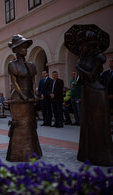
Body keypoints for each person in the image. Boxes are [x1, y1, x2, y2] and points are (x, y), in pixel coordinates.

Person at [64, 25, 113, 165]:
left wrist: (79, 68)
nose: (81, 47)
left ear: (89, 44)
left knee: (97, 125)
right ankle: (87, 153)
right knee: (87, 125)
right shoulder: (83, 57)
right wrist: (78, 73)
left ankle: (101, 155)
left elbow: (92, 76)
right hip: (87, 91)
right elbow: (81, 79)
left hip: (96, 92)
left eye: (82, 44)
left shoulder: (98, 57)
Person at [6, 34, 42, 162]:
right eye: (22, 47)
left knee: (31, 125)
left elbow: (33, 81)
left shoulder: (31, 65)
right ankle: (17, 154)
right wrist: (22, 96)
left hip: (29, 97)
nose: (25, 49)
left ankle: (32, 151)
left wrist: (34, 94)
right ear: (15, 49)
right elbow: (14, 82)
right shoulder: (12, 65)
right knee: (20, 125)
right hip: (18, 98)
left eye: (26, 46)